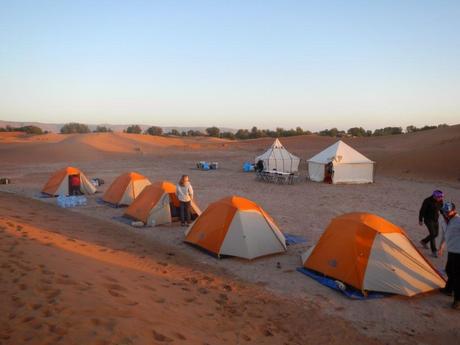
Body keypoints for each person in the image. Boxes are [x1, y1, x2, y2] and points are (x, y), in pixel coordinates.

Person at [437, 202, 460, 310]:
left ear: (453, 211)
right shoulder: (443, 220)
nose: (445, 213)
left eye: (448, 211)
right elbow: (444, 234)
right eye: (444, 211)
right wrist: (441, 246)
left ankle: (457, 301)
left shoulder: (458, 221)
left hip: (459, 252)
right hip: (451, 251)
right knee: (449, 270)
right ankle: (448, 290)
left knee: (457, 277)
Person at [419, 190, 443, 257]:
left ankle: (424, 241)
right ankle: (434, 251)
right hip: (428, 219)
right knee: (432, 234)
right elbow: (422, 210)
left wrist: (446, 217)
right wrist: (420, 220)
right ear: (434, 196)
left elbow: (441, 209)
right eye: (439, 197)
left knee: (436, 234)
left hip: (435, 220)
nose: (441, 198)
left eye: (441, 196)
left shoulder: (440, 201)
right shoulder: (427, 201)